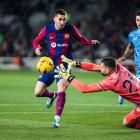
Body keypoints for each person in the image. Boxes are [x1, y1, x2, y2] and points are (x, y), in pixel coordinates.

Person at [33, 9, 99, 128]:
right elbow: (36, 41)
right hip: (50, 65)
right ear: (55, 19)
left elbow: (80, 38)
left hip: (64, 66)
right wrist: (37, 48)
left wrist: (89, 42)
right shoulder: (47, 29)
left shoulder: (71, 28)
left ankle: (57, 118)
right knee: (37, 93)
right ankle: (52, 95)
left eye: (64, 19)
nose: (62, 22)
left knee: (62, 87)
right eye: (60, 19)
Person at [54, 55, 140, 130]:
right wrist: (76, 63)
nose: (100, 68)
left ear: (107, 71)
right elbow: (94, 67)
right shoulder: (119, 66)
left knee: (126, 123)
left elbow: (85, 89)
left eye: (102, 68)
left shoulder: (111, 81)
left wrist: (68, 78)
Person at [117, 11, 140, 107]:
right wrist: (124, 57)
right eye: (138, 20)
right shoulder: (132, 35)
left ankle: (124, 91)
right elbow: (130, 47)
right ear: (135, 20)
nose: (139, 22)